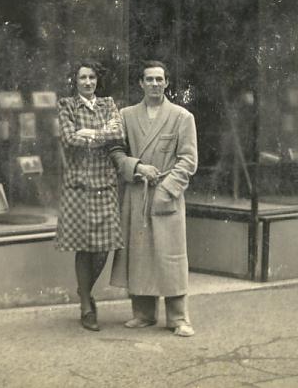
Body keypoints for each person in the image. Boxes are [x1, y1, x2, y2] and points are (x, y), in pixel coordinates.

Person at [110, 61, 198, 337]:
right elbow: (116, 152)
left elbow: (188, 160)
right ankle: (144, 314)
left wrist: (167, 189)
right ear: (140, 83)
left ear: (167, 83)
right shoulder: (126, 115)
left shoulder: (182, 117)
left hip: (165, 194)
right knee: (140, 255)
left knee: (170, 257)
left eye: (160, 79)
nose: (155, 84)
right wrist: (137, 167)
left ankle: (179, 318)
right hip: (137, 193)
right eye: (149, 79)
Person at [56, 60, 124, 332]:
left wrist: (89, 133)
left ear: (98, 80)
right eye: (82, 77)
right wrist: (100, 136)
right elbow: (69, 138)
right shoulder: (67, 106)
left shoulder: (108, 104)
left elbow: (119, 132)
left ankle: (84, 289)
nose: (87, 82)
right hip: (79, 185)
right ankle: (86, 303)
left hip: (105, 184)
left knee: (105, 246)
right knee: (84, 248)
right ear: (75, 80)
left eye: (92, 77)